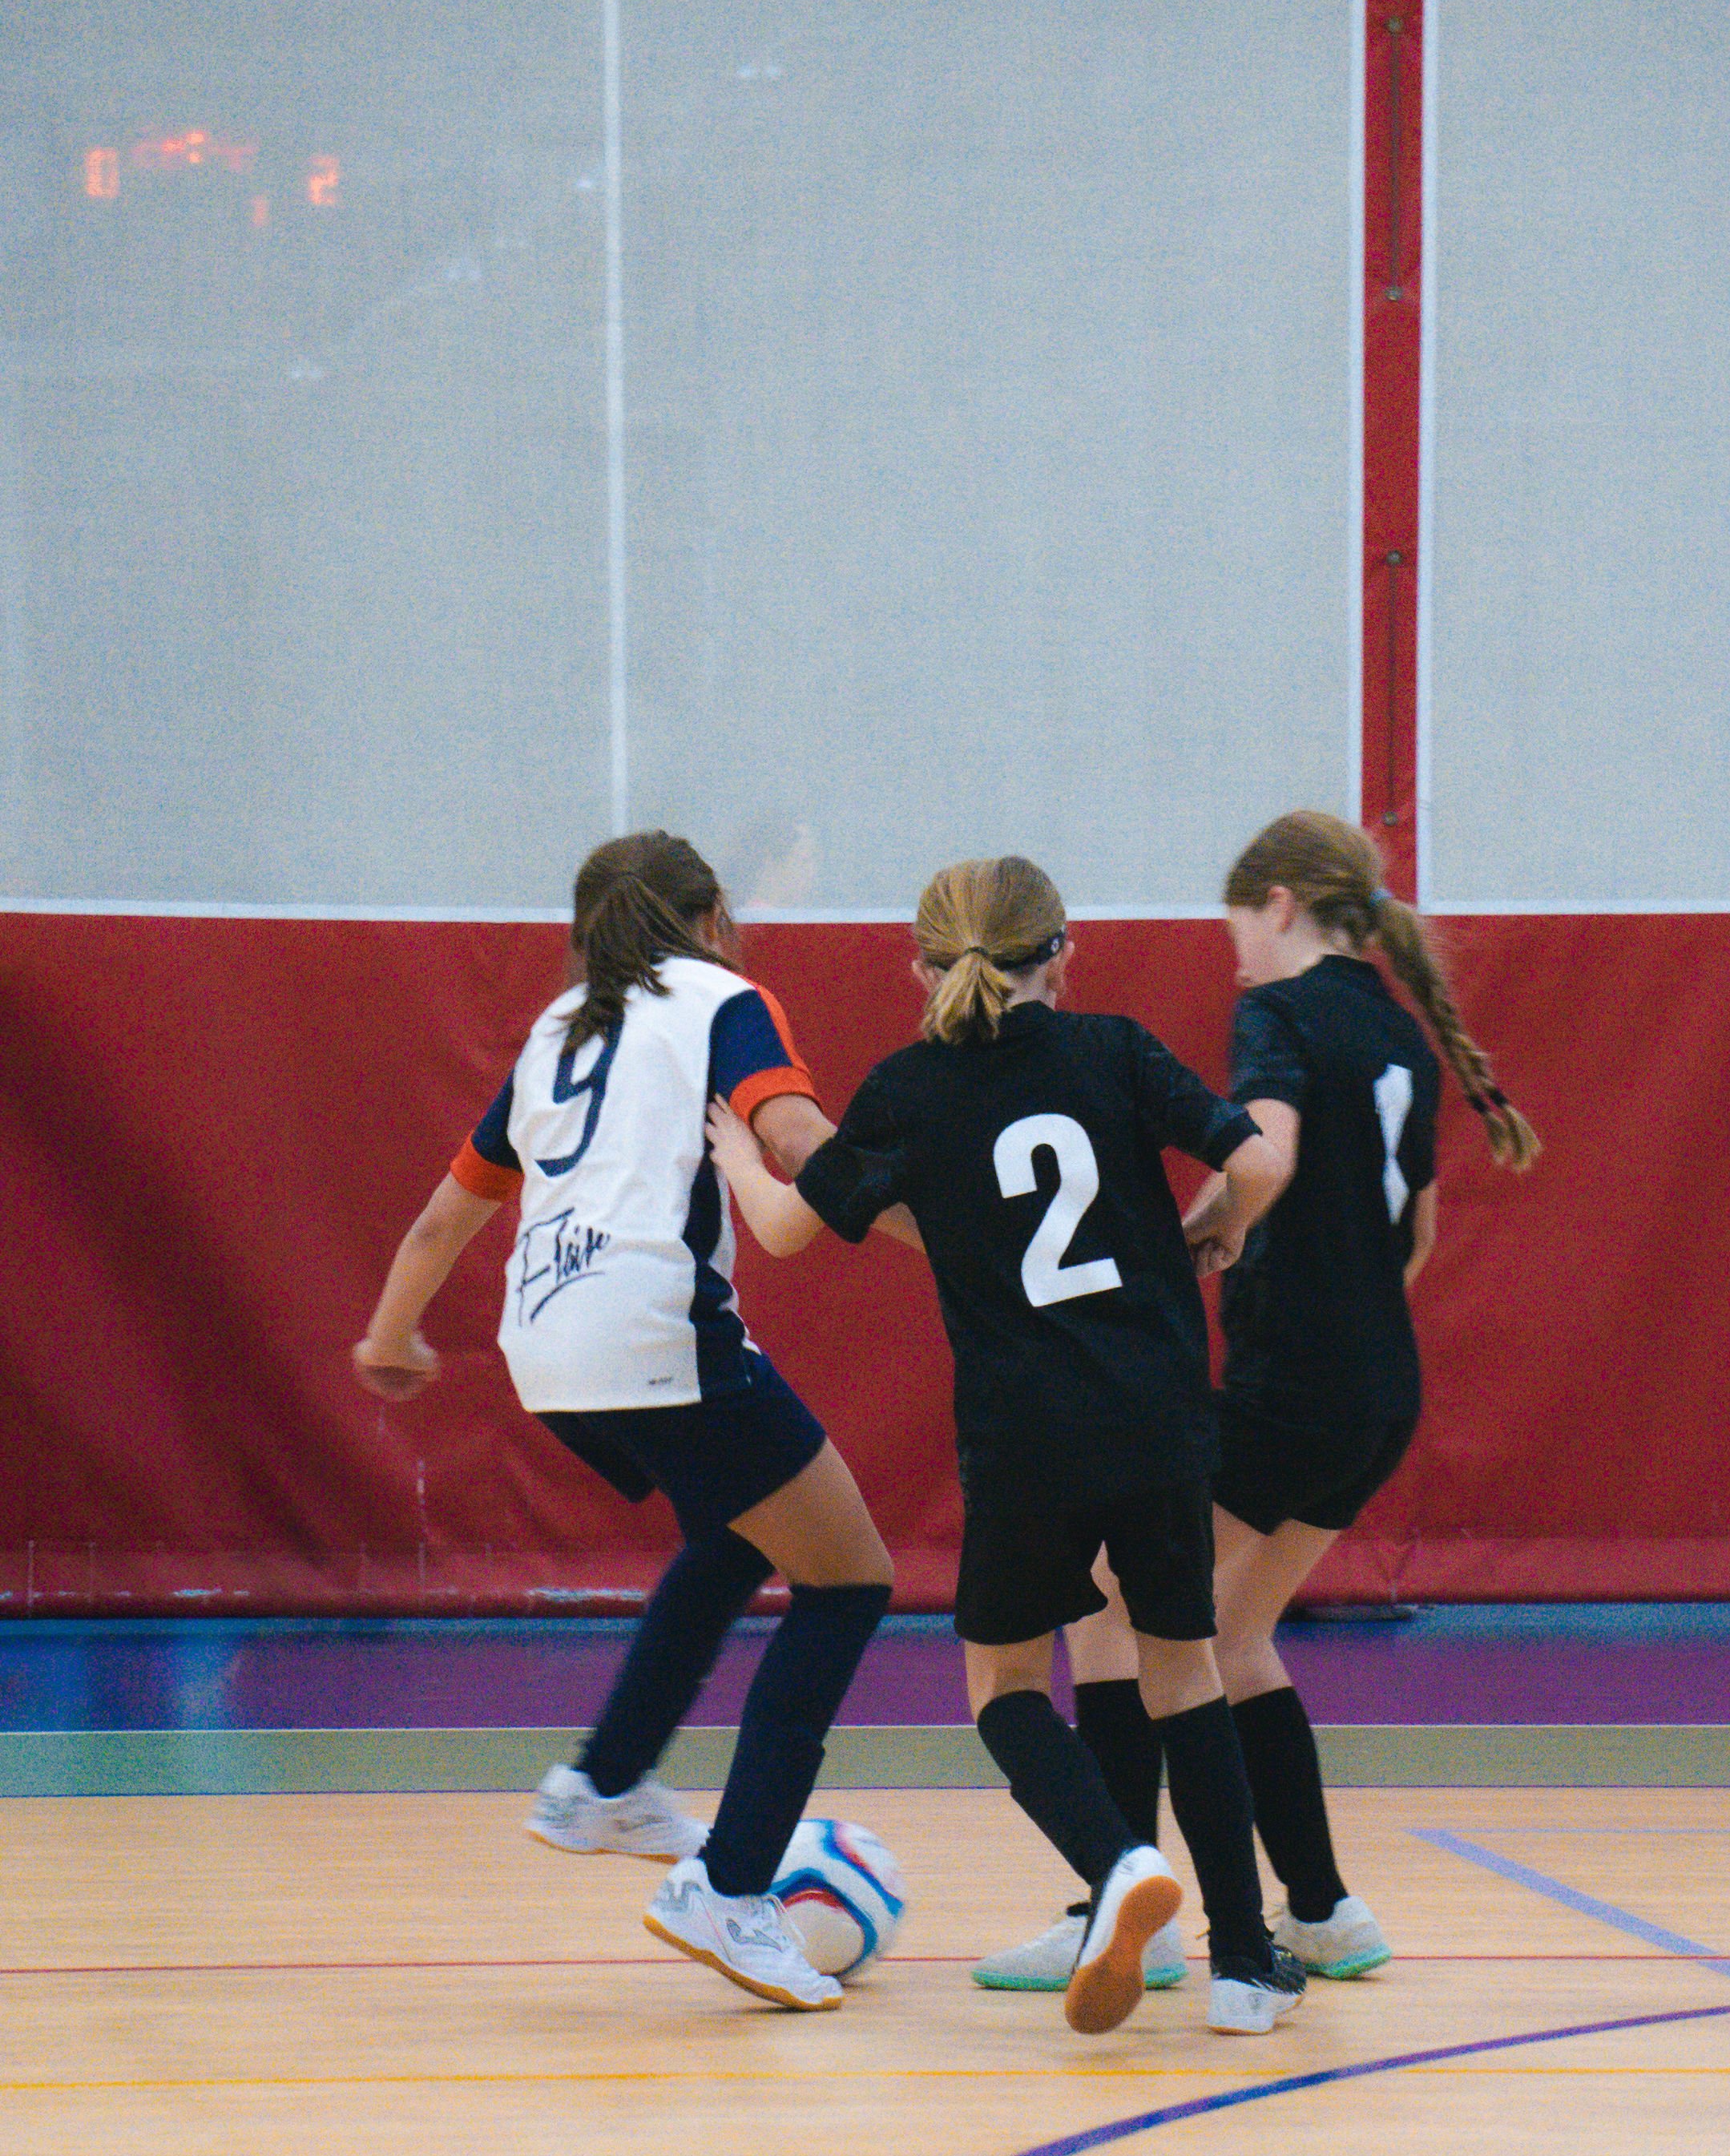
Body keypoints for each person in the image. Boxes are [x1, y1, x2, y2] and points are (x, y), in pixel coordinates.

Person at [708, 854, 1305, 2037]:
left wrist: (737, 1152)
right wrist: (1213, 1224)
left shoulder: (908, 1089)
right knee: (1184, 1670)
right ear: (1062, 954)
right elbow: (1261, 1160)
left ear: (921, 966)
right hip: (1157, 1413)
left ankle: (1118, 1865)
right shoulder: (1118, 1048)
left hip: (1025, 1434)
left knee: (1005, 1686)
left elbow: (782, 1231)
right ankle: (1243, 1965)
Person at [976, 810, 1538, 1991]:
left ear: (1277, 902)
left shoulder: (1277, 1012)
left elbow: (1263, 1151)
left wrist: (1200, 1234)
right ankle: (1325, 1910)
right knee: (1233, 1637)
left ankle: (1122, 1911)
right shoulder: (1397, 1030)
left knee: (1107, 1606)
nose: (1232, 951)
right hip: (1382, 1392)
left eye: (1237, 923)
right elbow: (1417, 1232)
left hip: (1295, 1392)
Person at [352, 830, 897, 2017]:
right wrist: (938, 1222)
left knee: (738, 1534)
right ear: (707, 918)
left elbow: (448, 1217)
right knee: (850, 1582)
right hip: (658, 1332)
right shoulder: (725, 1000)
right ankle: (733, 1890)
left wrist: (390, 1337)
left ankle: (601, 1784)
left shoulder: (558, 1032)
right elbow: (799, 1141)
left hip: (547, 1352)